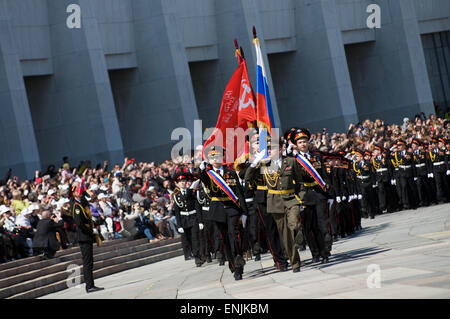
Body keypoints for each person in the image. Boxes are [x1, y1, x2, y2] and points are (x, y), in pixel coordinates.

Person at [246, 136, 304, 272]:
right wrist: (254, 163)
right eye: (268, 149)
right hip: (274, 202)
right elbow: (247, 177)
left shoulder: (290, 161)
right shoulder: (265, 164)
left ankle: (298, 232)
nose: (270, 151)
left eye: (273, 148)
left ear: (281, 148)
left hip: (290, 199)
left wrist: (300, 199)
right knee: (286, 235)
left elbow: (300, 182)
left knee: (294, 224)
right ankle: (295, 262)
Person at [199, 145, 249, 280]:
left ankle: (239, 265)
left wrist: (244, 212)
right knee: (225, 239)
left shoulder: (230, 172)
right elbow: (203, 179)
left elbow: (239, 192)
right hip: (218, 210)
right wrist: (201, 170)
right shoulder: (208, 174)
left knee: (234, 236)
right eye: (212, 157)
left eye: (218, 156)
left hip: (232, 208)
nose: (216, 159)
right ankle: (233, 264)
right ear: (209, 159)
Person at [292, 128, 332, 264]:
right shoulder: (294, 160)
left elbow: (325, 176)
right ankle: (315, 253)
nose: (303, 144)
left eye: (304, 141)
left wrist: (328, 189)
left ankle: (324, 252)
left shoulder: (317, 157)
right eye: (300, 142)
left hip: (318, 193)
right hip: (304, 196)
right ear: (296, 145)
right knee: (309, 227)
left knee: (321, 224)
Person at [71, 180, 104, 293]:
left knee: (90, 261)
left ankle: (91, 284)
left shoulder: (82, 202)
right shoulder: (76, 207)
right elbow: (79, 224)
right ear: (74, 192)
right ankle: (89, 286)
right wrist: (91, 230)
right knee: (87, 262)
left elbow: (87, 198)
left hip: (87, 235)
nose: (80, 192)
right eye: (77, 191)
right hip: (84, 236)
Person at [172, 172, 204, 267]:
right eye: (180, 182)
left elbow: (197, 207)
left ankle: (197, 258)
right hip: (184, 220)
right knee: (188, 239)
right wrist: (179, 225)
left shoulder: (191, 193)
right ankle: (193, 254)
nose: (182, 183)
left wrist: (200, 221)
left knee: (195, 239)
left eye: (184, 181)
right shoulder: (176, 196)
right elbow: (177, 212)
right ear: (177, 184)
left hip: (193, 218)